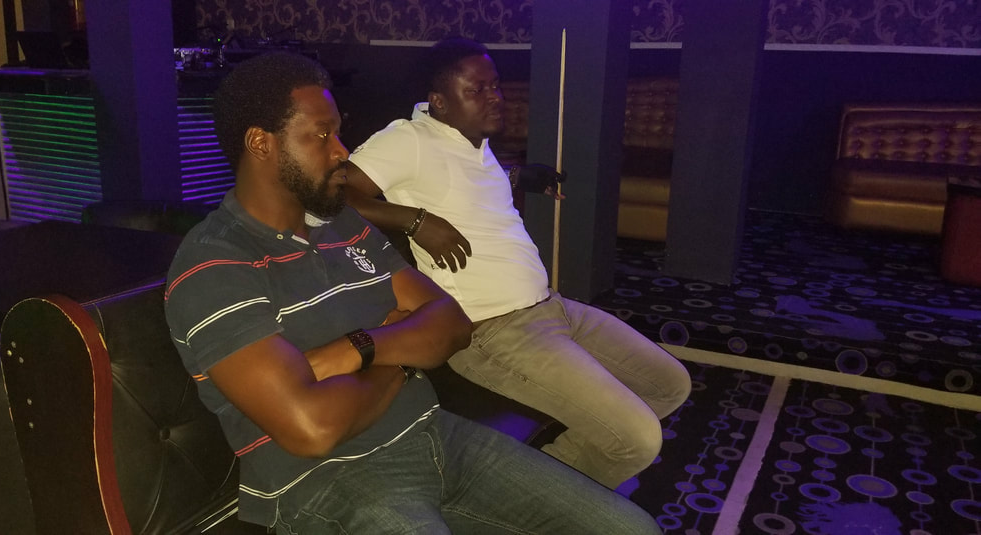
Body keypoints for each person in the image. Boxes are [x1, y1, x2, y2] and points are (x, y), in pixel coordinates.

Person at [164, 51, 661, 534]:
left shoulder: (345, 225)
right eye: (322, 135)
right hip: (328, 483)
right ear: (260, 143)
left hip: (436, 435)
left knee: (634, 528)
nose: (341, 151)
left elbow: (451, 321)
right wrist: (400, 357)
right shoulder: (214, 266)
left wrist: (360, 349)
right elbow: (312, 429)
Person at [345, 38, 692, 490]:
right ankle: (531, 501)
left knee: (669, 385)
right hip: (495, 332)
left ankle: (562, 476)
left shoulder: (471, 142)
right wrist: (414, 220)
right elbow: (334, 193)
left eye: (495, 86)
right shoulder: (408, 140)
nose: (495, 97)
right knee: (638, 440)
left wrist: (519, 175)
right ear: (439, 101)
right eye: (477, 89)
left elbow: (459, 180)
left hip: (552, 308)